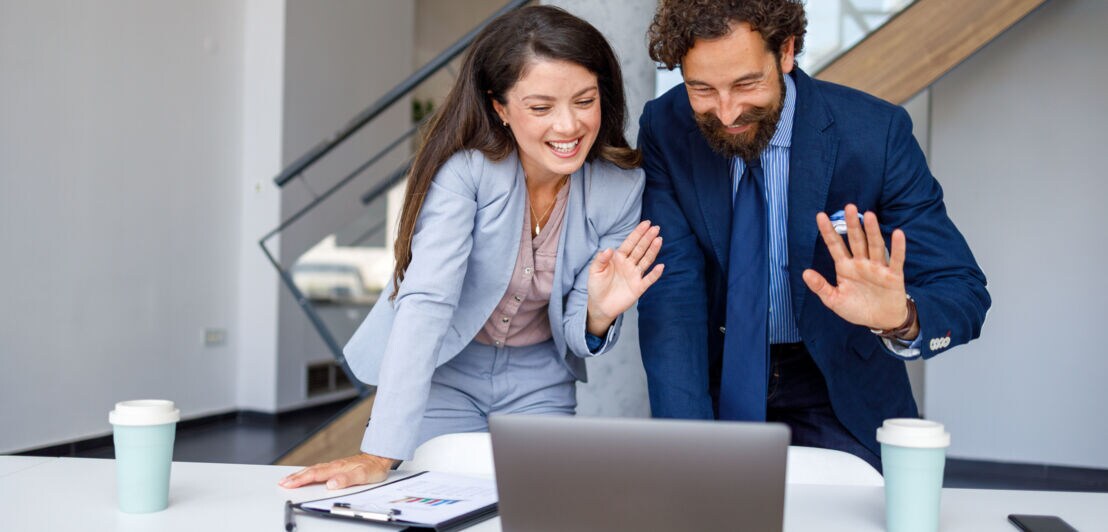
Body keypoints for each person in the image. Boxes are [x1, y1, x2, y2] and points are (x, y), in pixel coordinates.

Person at [280, 5, 663, 490]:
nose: (568, 127)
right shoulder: (466, 174)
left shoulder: (619, 188)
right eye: (541, 108)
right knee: (436, 500)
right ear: (500, 107)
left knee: (541, 507)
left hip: (539, 380)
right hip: (447, 370)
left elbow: (575, 327)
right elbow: (427, 301)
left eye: (584, 101)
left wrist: (597, 316)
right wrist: (378, 454)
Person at [636, 0, 990, 469]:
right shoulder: (665, 126)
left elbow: (962, 290)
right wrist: (687, 448)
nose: (726, 112)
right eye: (701, 88)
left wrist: (900, 317)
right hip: (715, 377)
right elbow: (672, 294)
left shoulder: (875, 133)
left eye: (746, 83)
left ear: (785, 52)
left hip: (837, 384)